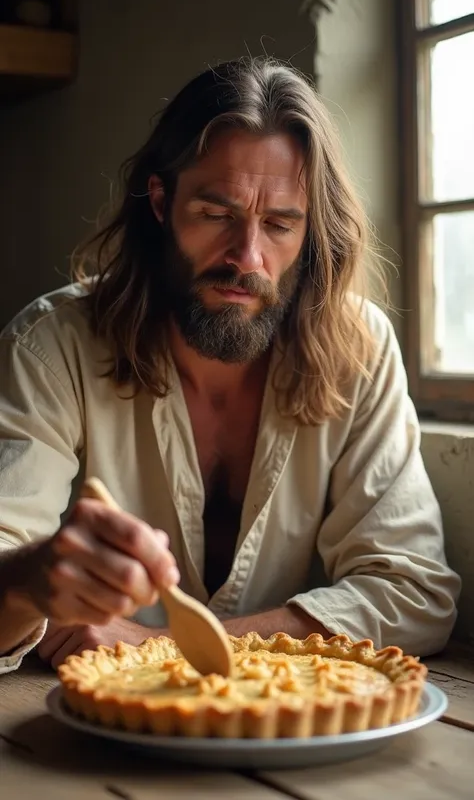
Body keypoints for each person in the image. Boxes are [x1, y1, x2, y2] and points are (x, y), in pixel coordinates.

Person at [0, 58, 460, 673]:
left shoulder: (360, 348)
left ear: (310, 231)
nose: (247, 257)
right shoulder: (51, 345)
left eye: (278, 224)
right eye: (217, 215)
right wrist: (33, 582)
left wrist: (169, 648)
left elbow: (413, 591)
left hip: (290, 738)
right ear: (162, 202)